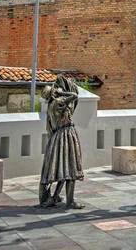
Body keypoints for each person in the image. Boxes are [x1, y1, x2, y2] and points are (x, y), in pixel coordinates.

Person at [39, 75, 84, 209]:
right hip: (67, 135)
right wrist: (62, 92)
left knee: (61, 169)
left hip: (57, 139)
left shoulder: (51, 107)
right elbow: (75, 96)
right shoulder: (59, 102)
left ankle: (54, 196)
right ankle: (70, 202)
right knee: (70, 167)